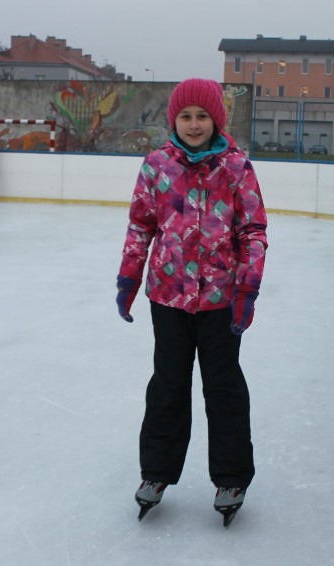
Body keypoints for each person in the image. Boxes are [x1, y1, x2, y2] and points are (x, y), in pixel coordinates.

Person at [115, 78, 268, 527]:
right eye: (186, 116)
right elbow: (140, 226)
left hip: (220, 300)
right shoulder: (156, 165)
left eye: (203, 116)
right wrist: (129, 278)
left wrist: (247, 290)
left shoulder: (236, 167)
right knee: (167, 384)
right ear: (174, 120)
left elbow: (253, 232)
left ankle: (231, 477)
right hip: (167, 296)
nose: (195, 124)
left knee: (223, 388)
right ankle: (157, 473)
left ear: (216, 119)